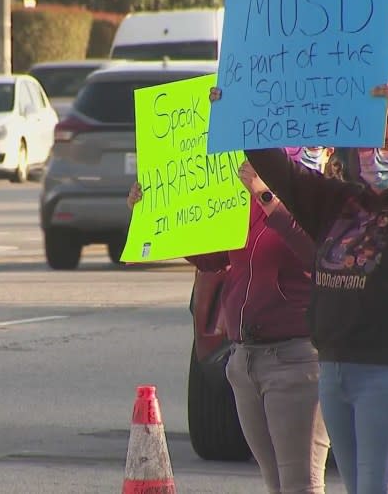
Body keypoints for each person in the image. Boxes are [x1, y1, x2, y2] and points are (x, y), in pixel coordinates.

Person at [221, 83, 388, 494]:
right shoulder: (340, 202)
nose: (375, 155)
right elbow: (282, 174)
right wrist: (238, 115)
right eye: (368, 147)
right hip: (336, 368)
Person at [128, 146, 336, 494]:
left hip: (296, 360)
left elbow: (319, 255)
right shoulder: (249, 203)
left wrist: (267, 197)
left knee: (301, 484)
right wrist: (152, 213)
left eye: (309, 143)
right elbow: (213, 258)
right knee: (275, 482)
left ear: (328, 151)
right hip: (247, 359)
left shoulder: (327, 200)